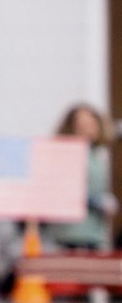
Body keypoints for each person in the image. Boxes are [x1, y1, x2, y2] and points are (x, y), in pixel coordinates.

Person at [47, 103, 117, 250]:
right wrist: (96, 202)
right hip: (69, 232)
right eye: (82, 125)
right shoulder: (64, 154)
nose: (87, 129)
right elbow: (64, 189)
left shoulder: (96, 155)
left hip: (94, 231)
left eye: (91, 124)